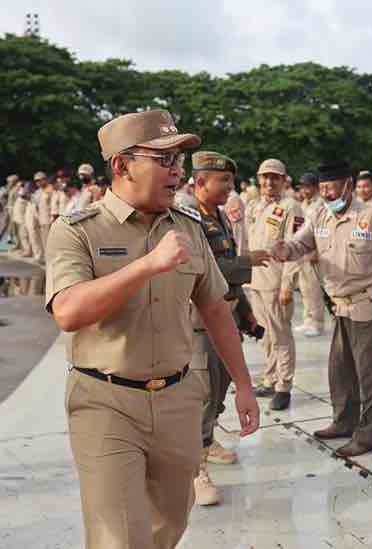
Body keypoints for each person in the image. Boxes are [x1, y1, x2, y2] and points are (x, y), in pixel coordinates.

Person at [44, 109, 259, 548]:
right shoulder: (76, 231)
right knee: (120, 537)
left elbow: (215, 308)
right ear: (122, 165)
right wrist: (146, 266)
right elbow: (67, 312)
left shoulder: (188, 229)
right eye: (164, 160)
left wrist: (243, 383)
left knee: (169, 524)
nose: (178, 172)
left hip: (178, 400)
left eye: (180, 161)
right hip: (106, 402)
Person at [274, 160, 372, 457]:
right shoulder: (319, 214)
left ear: (348, 185)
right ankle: (344, 422)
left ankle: (366, 436)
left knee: (370, 376)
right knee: (340, 372)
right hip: (338, 307)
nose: (327, 193)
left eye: (332, 186)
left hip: (368, 305)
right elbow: (301, 244)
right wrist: (284, 249)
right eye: (323, 187)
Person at [188, 150, 271, 506]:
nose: (230, 188)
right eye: (223, 181)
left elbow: (228, 285)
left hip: (226, 317)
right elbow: (210, 272)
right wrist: (248, 261)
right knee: (203, 395)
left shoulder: (217, 216)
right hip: (200, 324)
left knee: (219, 390)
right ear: (200, 182)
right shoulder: (188, 218)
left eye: (231, 182)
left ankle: (207, 441)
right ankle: (194, 470)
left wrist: (246, 314)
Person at [248, 158, 303, 411]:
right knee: (266, 335)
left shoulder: (291, 206)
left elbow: (295, 247)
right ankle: (270, 378)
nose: (269, 182)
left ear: (284, 180)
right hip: (257, 281)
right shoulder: (256, 205)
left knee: (281, 335)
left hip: (276, 281)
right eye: (265, 177)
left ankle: (284, 386)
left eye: (275, 178)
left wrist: (287, 284)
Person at [295, 172, 327, 337]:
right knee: (305, 288)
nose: (305, 190)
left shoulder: (321, 204)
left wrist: (315, 250)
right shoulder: (304, 203)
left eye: (307, 186)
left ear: (315, 187)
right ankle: (307, 319)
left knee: (314, 289)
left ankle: (317, 323)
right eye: (302, 187)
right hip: (302, 251)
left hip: (314, 252)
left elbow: (320, 230)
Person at [224, 180, 248, 256]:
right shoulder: (227, 196)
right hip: (231, 225)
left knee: (238, 245)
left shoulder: (234, 197)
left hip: (236, 225)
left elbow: (235, 217)